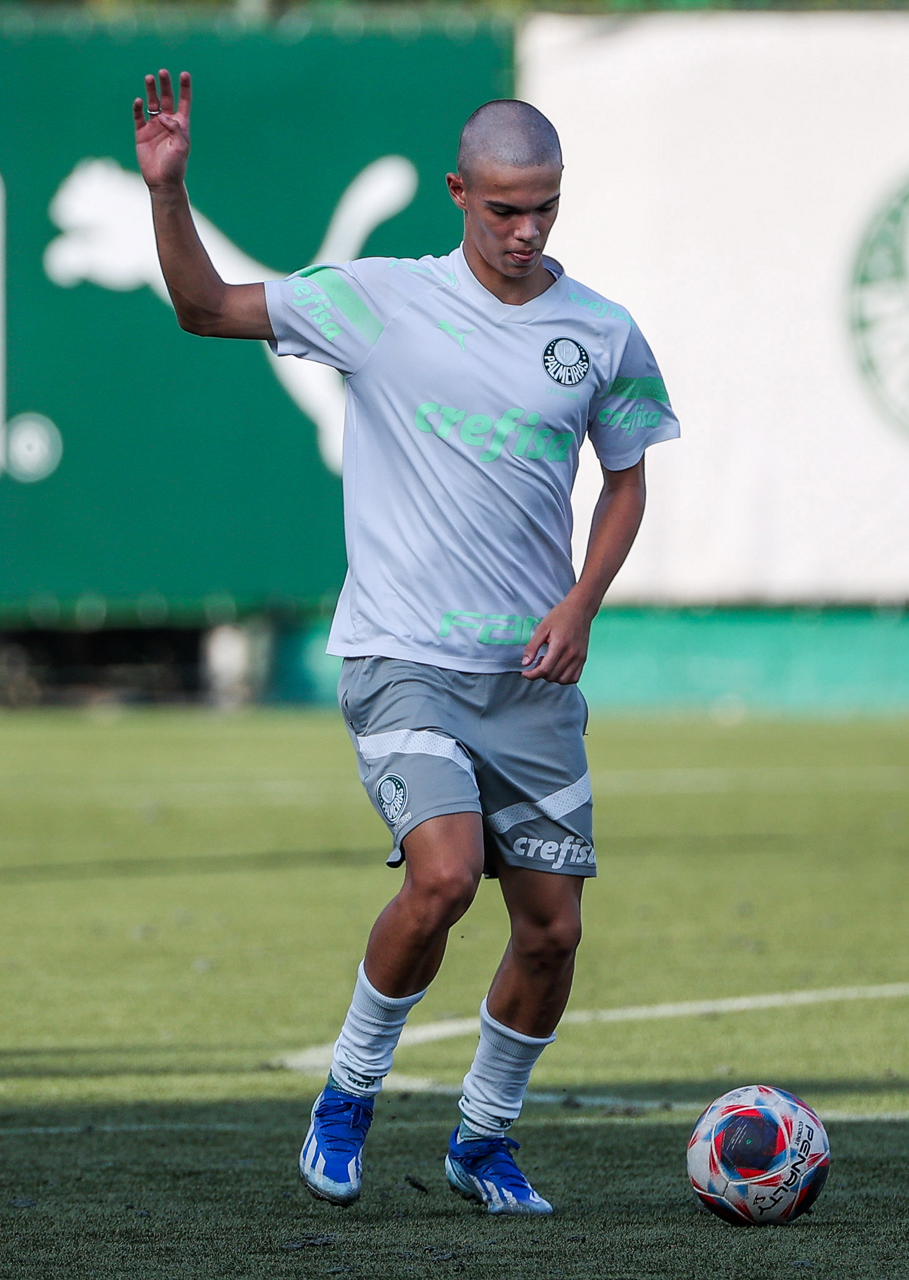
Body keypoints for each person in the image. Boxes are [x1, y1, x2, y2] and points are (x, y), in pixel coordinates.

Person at [134, 69, 679, 1217]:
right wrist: (169, 192)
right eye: (504, 208)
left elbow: (625, 482)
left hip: (529, 680)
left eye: (545, 206)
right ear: (457, 193)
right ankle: (347, 1095)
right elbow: (203, 306)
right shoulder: (377, 300)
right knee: (442, 878)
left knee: (553, 930)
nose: (526, 230)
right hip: (402, 661)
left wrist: (581, 603)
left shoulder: (602, 331)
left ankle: (483, 1138)